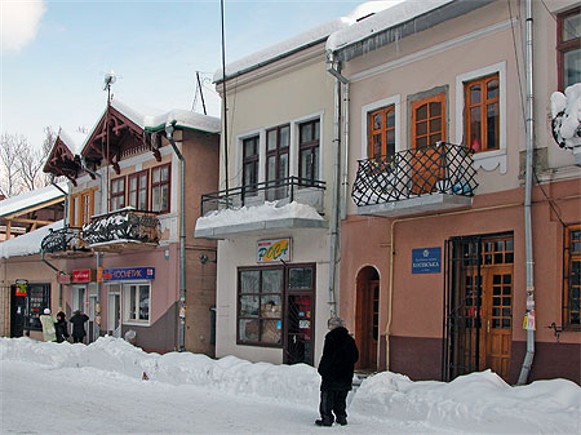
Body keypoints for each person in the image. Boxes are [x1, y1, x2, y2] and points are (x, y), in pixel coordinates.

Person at [315, 316, 359, 427]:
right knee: (341, 397)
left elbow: (328, 356)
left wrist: (322, 369)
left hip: (332, 374)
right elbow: (355, 356)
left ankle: (327, 418)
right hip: (345, 374)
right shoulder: (350, 339)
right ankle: (341, 417)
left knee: (328, 397)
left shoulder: (331, 337)